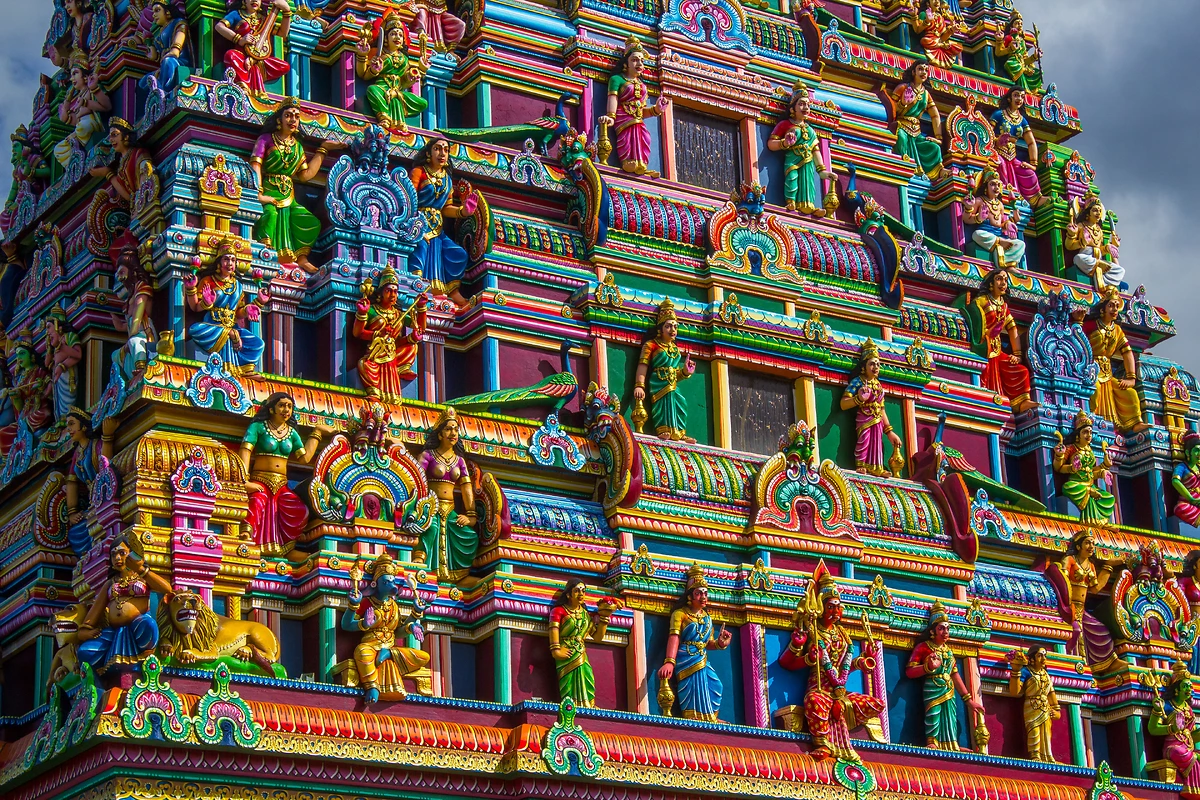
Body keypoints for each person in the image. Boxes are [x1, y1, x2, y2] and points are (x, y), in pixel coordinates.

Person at [780, 561, 884, 761]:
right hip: (820, 690)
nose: (836, 612)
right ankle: (823, 743)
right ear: (821, 608)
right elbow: (787, 663)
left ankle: (840, 726)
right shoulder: (813, 631)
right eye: (831, 607)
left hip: (840, 693)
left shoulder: (843, 635)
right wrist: (805, 654)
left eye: (839, 607)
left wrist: (860, 663)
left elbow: (843, 667)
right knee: (814, 702)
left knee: (875, 703)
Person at [250, 98, 337, 273]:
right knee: (270, 215)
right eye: (288, 116)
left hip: (288, 195)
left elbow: (305, 176)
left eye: (296, 117)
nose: (293, 120)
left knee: (310, 222)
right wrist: (258, 193)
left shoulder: (297, 147)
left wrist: (323, 150)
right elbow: (256, 164)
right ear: (279, 120)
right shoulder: (266, 139)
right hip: (269, 188)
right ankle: (266, 252)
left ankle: (301, 258)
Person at [239, 392, 331, 555]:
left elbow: (304, 459)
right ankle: (247, 535)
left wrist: (317, 432)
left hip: (281, 483)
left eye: (289, 406)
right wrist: (244, 479)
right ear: (272, 408)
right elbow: (246, 450)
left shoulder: (292, 432)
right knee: (257, 502)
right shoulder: (258, 427)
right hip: (260, 479)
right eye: (281, 405)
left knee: (300, 510)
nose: (286, 410)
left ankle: (287, 546)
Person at [341, 551, 431, 704]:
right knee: (361, 652)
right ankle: (372, 687)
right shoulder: (367, 603)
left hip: (389, 646)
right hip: (371, 645)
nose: (391, 585)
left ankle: (388, 653)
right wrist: (357, 613)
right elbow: (347, 625)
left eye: (392, 581)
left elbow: (399, 632)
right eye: (386, 582)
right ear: (376, 584)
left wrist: (413, 621)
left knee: (424, 656)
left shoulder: (394, 606)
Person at [76, 534, 174, 674]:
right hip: (112, 633)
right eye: (113, 555)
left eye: (122, 553)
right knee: (85, 652)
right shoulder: (110, 583)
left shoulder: (143, 577)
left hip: (138, 627)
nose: (117, 558)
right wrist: (87, 631)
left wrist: (141, 570)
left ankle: (143, 660)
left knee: (149, 627)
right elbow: (91, 617)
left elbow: (167, 589)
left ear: (133, 554)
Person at [656, 563, 731, 722]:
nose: (703, 597)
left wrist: (720, 644)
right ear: (690, 596)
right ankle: (693, 716)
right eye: (699, 593)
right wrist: (669, 662)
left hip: (702, 657)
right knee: (692, 687)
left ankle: (710, 717)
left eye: (705, 593)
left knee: (716, 685)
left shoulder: (707, 617)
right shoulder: (680, 614)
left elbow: (708, 642)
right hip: (686, 657)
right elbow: (674, 637)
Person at [905, 602, 983, 750]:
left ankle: (951, 745)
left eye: (947, 628)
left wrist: (969, 701)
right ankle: (932, 742)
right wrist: (927, 667)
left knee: (950, 717)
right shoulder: (924, 647)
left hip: (949, 689)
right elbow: (910, 671)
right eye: (941, 628)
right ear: (933, 631)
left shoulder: (948, 650)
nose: (945, 631)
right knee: (934, 714)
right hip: (933, 686)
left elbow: (955, 675)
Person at [184, 236, 267, 373]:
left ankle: (246, 371)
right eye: (226, 259)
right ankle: (229, 338)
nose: (230, 263)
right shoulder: (208, 281)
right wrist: (194, 292)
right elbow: (195, 307)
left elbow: (238, 312)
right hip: (212, 326)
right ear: (219, 262)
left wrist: (254, 305)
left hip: (232, 326)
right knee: (194, 329)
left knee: (258, 344)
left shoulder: (238, 286)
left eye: (233, 260)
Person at [414, 407, 478, 581]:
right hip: (430, 506)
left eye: (456, 429)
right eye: (448, 429)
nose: (453, 433)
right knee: (431, 529)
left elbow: (466, 489)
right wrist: (419, 507)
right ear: (440, 434)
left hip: (450, 510)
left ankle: (457, 573)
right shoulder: (428, 455)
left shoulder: (460, 461)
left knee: (469, 536)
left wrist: (471, 516)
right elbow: (416, 479)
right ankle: (421, 559)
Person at [964, 268, 1035, 413]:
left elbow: (1012, 328)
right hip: (984, 349)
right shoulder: (981, 301)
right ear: (991, 283)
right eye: (999, 279)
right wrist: (985, 336)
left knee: (1022, 372)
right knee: (983, 376)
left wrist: (1017, 354)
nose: (1003, 283)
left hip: (997, 351)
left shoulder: (1004, 306)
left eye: (1005, 280)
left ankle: (1021, 403)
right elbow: (974, 322)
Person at [353, 266, 427, 403]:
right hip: (376, 352)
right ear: (381, 293)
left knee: (412, 346)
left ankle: (403, 369)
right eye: (389, 291)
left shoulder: (398, 314)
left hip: (393, 353)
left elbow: (421, 328)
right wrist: (363, 315)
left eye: (395, 291)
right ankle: (374, 392)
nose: (393, 295)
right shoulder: (373, 310)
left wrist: (421, 308)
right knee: (363, 364)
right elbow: (358, 333)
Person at [410, 137, 470, 306]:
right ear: (429, 153)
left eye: (446, 149)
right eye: (437, 148)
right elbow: (409, 198)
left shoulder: (447, 180)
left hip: (437, 226)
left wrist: (463, 211)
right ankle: (417, 283)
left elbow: (446, 208)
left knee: (458, 254)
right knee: (421, 247)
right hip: (419, 222)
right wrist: (414, 223)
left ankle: (453, 291)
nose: (442, 153)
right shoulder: (419, 172)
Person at [598, 36, 666, 178]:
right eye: (634, 60)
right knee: (628, 147)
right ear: (626, 63)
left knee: (644, 138)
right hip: (623, 119)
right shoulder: (617, 79)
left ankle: (642, 167)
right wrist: (611, 117)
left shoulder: (642, 86)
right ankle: (631, 163)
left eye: (642, 60)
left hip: (638, 121)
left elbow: (641, 111)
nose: (639, 63)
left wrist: (657, 110)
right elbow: (613, 99)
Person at [767, 83, 837, 215]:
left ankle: (809, 206)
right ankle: (791, 202)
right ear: (793, 108)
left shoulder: (810, 130)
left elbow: (815, 150)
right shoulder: (785, 125)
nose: (806, 108)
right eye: (801, 104)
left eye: (808, 105)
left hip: (808, 161)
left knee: (808, 184)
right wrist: (784, 143)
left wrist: (822, 170)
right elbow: (771, 144)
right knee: (792, 180)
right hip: (792, 160)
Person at [1087, 286, 1148, 433]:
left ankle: (1135, 423)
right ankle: (1090, 420)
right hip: (1091, 370)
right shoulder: (1091, 325)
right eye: (1111, 305)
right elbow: (1077, 340)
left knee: (1131, 394)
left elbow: (1127, 353)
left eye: (1116, 306)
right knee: (1093, 389)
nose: (1114, 309)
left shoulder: (1117, 330)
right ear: (1103, 308)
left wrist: (1131, 378)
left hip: (1108, 374)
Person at [355, 12, 429, 134]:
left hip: (397, 91)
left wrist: (419, 70)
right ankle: (384, 117)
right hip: (382, 89)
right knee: (372, 90)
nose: (397, 37)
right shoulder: (381, 56)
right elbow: (363, 74)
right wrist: (364, 57)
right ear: (385, 38)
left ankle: (397, 120)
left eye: (400, 35)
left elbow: (405, 83)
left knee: (423, 103)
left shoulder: (404, 59)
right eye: (393, 34)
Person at [634, 298, 696, 442]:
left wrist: (686, 372)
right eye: (668, 326)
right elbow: (643, 366)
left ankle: (679, 433)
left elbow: (675, 374)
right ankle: (663, 430)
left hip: (672, 384)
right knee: (663, 406)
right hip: (658, 383)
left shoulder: (675, 349)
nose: (672, 330)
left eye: (675, 326)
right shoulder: (651, 345)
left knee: (681, 403)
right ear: (660, 329)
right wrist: (639, 385)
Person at [548, 578, 614, 708]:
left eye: (583, 591)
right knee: (568, 682)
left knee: (588, 677)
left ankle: (588, 704)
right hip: (566, 651)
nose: (581, 594)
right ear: (568, 594)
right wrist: (556, 650)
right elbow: (553, 629)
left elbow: (597, 637)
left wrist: (604, 619)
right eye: (577, 591)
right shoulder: (559, 611)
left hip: (581, 653)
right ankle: (569, 706)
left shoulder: (585, 614)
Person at [840, 339, 903, 476]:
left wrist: (889, 432)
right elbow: (843, 403)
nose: (875, 367)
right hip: (864, 418)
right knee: (864, 441)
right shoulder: (858, 381)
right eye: (872, 364)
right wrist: (859, 398)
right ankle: (861, 465)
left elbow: (882, 409)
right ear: (864, 366)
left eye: (878, 364)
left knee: (877, 444)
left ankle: (877, 469)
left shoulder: (879, 386)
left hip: (878, 421)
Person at [215, 0, 293, 96]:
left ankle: (253, 65)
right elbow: (219, 26)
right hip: (241, 57)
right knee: (230, 55)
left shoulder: (265, 20)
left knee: (284, 66)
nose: (254, 0)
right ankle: (243, 87)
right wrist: (239, 39)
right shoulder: (237, 14)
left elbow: (282, 34)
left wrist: (287, 12)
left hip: (259, 60)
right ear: (244, 1)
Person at [1053, 411, 1116, 524]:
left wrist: (1103, 468)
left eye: (1090, 432)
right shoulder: (1072, 448)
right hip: (1076, 484)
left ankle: (1102, 522)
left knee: (1109, 498)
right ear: (1078, 435)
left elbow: (1091, 472)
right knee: (1067, 487)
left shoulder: (1090, 450)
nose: (1089, 435)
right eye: (1085, 432)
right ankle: (1089, 495)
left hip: (1089, 484)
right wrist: (1060, 456)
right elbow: (1059, 468)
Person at [989, 88, 1046, 207]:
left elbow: (1031, 142)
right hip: (997, 152)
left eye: (1022, 96)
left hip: (1013, 156)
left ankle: (1035, 199)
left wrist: (1033, 164)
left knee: (1029, 173)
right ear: (1009, 98)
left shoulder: (1022, 121)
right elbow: (987, 132)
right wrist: (996, 141)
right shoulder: (999, 115)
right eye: (1016, 95)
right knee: (1001, 167)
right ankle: (1002, 197)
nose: (1019, 99)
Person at [54, 54, 111, 168]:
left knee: (81, 128)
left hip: (90, 124)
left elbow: (106, 106)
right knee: (58, 149)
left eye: (75, 73)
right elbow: (75, 120)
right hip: (81, 128)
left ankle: (85, 154)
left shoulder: (90, 91)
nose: (72, 79)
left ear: (84, 76)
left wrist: (88, 99)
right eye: (71, 75)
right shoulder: (78, 97)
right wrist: (65, 112)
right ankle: (74, 167)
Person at [889, 60, 943, 181]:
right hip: (902, 125)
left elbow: (935, 116)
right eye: (920, 69)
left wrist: (938, 138)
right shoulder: (903, 88)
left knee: (934, 148)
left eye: (926, 70)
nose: (923, 72)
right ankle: (904, 166)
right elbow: (891, 109)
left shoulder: (926, 94)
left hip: (917, 132)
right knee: (901, 138)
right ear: (913, 72)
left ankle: (935, 172)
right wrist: (903, 104)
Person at [1007, 645, 1060, 763]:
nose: (1043, 658)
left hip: (1045, 707)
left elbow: (1051, 693)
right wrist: (1015, 671)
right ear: (1032, 658)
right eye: (1039, 656)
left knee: (1046, 732)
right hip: (1031, 706)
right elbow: (1015, 692)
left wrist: (1057, 711)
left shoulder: (1046, 674)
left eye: (1044, 655)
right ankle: (1035, 755)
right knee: (1034, 730)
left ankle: (1047, 756)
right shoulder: (1026, 672)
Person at [963, 168, 1025, 268]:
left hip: (999, 234)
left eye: (998, 185)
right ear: (985, 188)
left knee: (1020, 244)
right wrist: (977, 215)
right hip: (986, 232)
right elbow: (967, 219)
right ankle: (999, 243)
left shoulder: (1000, 204)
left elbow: (1001, 223)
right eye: (992, 184)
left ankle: (1009, 265)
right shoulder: (979, 201)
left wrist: (1007, 224)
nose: (996, 187)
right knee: (976, 234)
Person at [88, 118, 154, 207]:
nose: (110, 139)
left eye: (114, 135)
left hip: (145, 203)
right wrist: (107, 173)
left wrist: (141, 199)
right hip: (136, 207)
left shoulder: (138, 154)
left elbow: (145, 183)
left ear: (126, 136)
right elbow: (128, 196)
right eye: (110, 136)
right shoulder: (121, 165)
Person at [1066, 197, 1124, 290]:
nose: (1098, 213)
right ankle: (1098, 266)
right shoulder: (1081, 226)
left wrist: (1108, 248)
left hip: (1098, 258)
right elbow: (1069, 246)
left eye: (1100, 211)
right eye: (1095, 210)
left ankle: (1105, 284)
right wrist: (1073, 235)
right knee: (1078, 258)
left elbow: (1099, 249)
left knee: (1120, 271)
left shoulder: (1099, 230)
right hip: (1086, 257)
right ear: (1088, 213)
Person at [139, 1, 192, 94]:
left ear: (167, 12)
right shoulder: (161, 31)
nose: (154, 15)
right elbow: (158, 54)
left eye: (157, 10)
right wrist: (151, 47)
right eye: (153, 12)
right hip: (164, 63)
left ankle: (166, 92)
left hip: (179, 60)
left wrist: (175, 50)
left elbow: (180, 34)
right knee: (144, 81)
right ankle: (158, 93)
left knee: (168, 62)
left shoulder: (178, 22)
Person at [44, 306, 82, 424]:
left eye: (49, 327)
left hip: (68, 376)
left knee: (68, 402)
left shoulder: (69, 337)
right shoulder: (55, 346)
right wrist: (50, 348)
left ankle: (68, 419)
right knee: (59, 405)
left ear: (57, 325)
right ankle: (61, 421)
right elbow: (47, 364)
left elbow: (78, 354)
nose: (48, 332)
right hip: (58, 380)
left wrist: (62, 366)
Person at [995, 12, 1042, 92]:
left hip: (1021, 63)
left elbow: (1025, 60)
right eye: (1017, 23)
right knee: (1010, 65)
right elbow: (998, 52)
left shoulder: (1022, 42)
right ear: (1011, 26)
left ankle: (1029, 89)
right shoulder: (1008, 38)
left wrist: (1034, 56)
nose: (1020, 25)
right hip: (1013, 62)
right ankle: (1024, 89)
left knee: (1038, 73)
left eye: (1021, 24)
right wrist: (1005, 45)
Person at [911, 0, 963, 67]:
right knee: (924, 40)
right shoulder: (923, 14)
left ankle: (940, 45)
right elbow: (917, 30)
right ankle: (940, 45)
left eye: (938, 0)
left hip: (938, 42)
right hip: (929, 41)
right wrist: (927, 21)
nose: (937, 2)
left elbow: (942, 37)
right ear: (927, 3)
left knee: (959, 47)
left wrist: (952, 30)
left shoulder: (940, 17)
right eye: (934, 0)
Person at [1173, 432, 1200, 526]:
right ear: (1188, 452)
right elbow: (1175, 481)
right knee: (1179, 508)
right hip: (1188, 502)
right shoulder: (1182, 467)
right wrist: (1191, 499)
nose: (1199, 453)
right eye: (1196, 450)